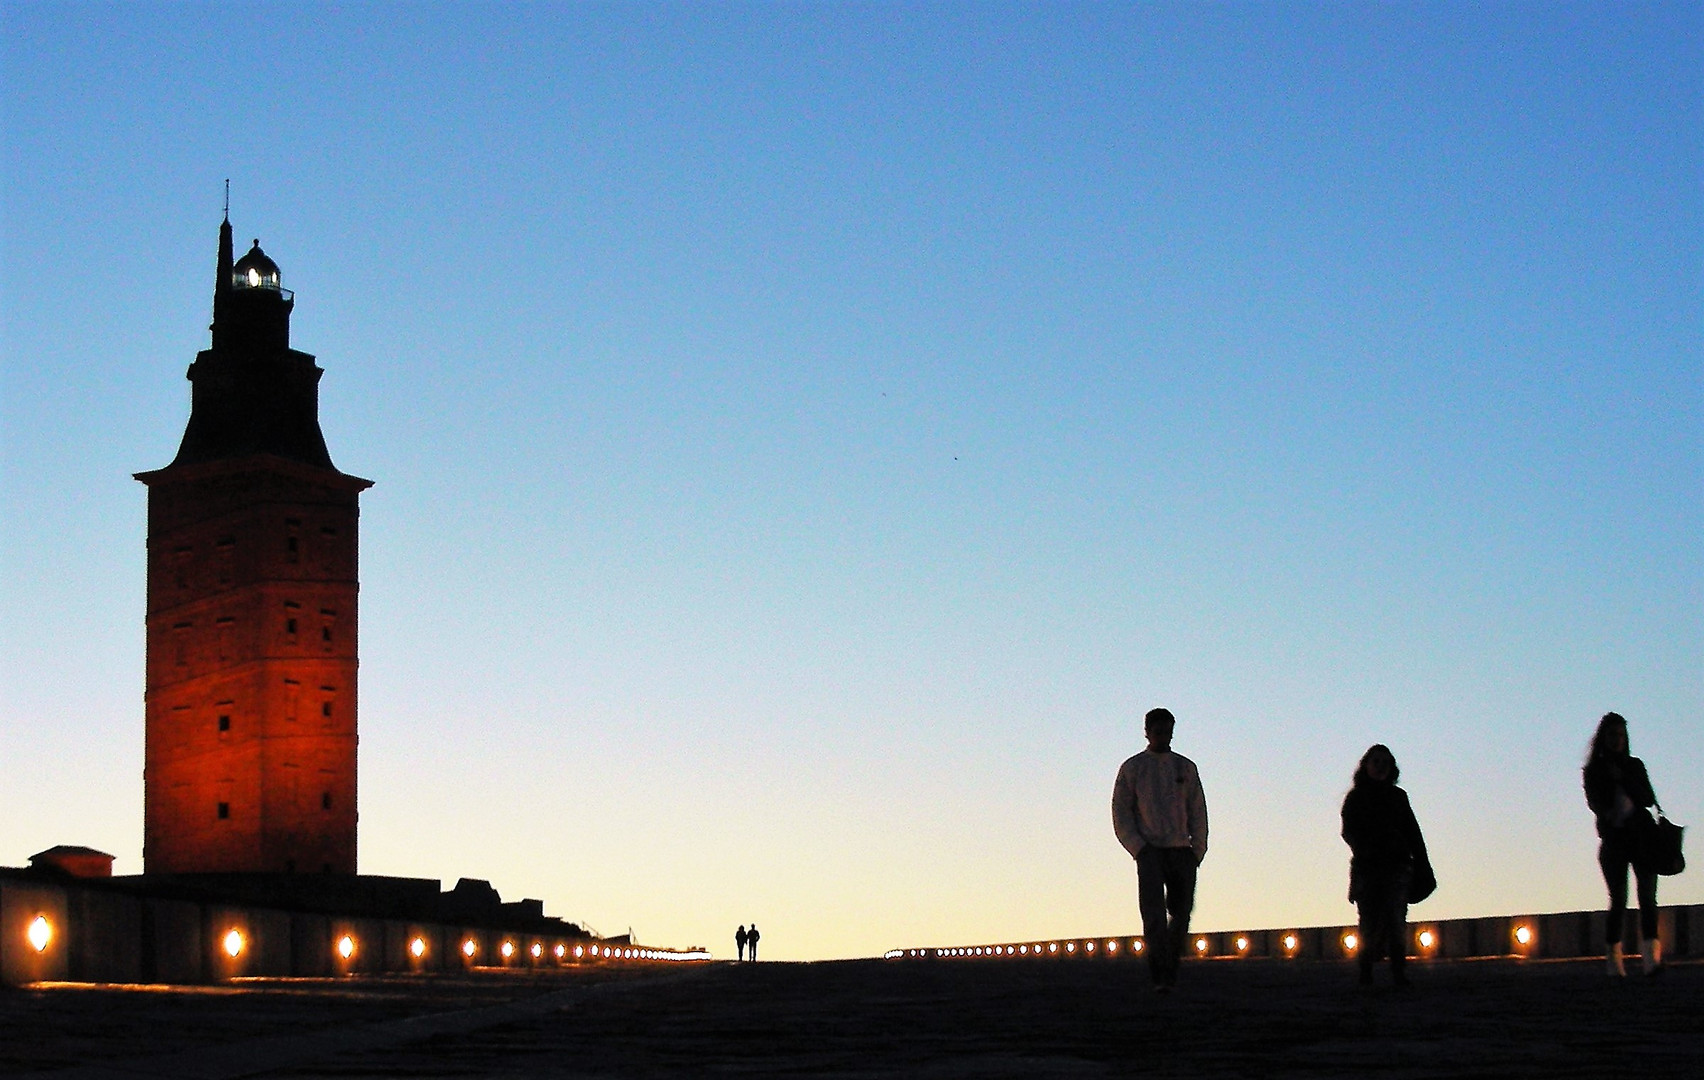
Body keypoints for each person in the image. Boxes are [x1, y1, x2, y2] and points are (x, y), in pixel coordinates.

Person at [1111, 707, 1208, 992]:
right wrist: (1138, 847)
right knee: (1153, 915)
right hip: (1150, 850)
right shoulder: (1133, 768)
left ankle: (1171, 968)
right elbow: (1121, 811)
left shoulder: (1185, 767)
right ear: (1147, 732)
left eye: (1167, 732)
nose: (1163, 737)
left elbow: (1197, 809)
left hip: (1181, 850)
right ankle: (1158, 974)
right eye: (1157, 732)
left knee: (1181, 913)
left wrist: (1197, 849)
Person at [1340, 744, 1432, 988]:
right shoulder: (1356, 798)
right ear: (1366, 766)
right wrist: (1367, 851)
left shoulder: (1398, 797)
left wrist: (1423, 865)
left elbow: (1413, 833)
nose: (1380, 766)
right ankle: (1365, 973)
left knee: (1396, 919)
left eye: (1384, 762)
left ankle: (1398, 972)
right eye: (1375, 761)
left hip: (1397, 867)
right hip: (1368, 869)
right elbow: (1348, 831)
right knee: (1368, 921)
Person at [1583, 712, 1664, 976]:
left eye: (1621, 735)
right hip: (1615, 839)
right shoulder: (1594, 771)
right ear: (1603, 738)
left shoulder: (1635, 766)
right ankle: (1614, 962)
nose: (1617, 740)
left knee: (1648, 898)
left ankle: (1651, 959)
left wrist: (1624, 779)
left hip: (1641, 837)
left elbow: (1647, 798)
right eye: (1612, 735)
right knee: (1618, 899)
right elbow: (1596, 804)